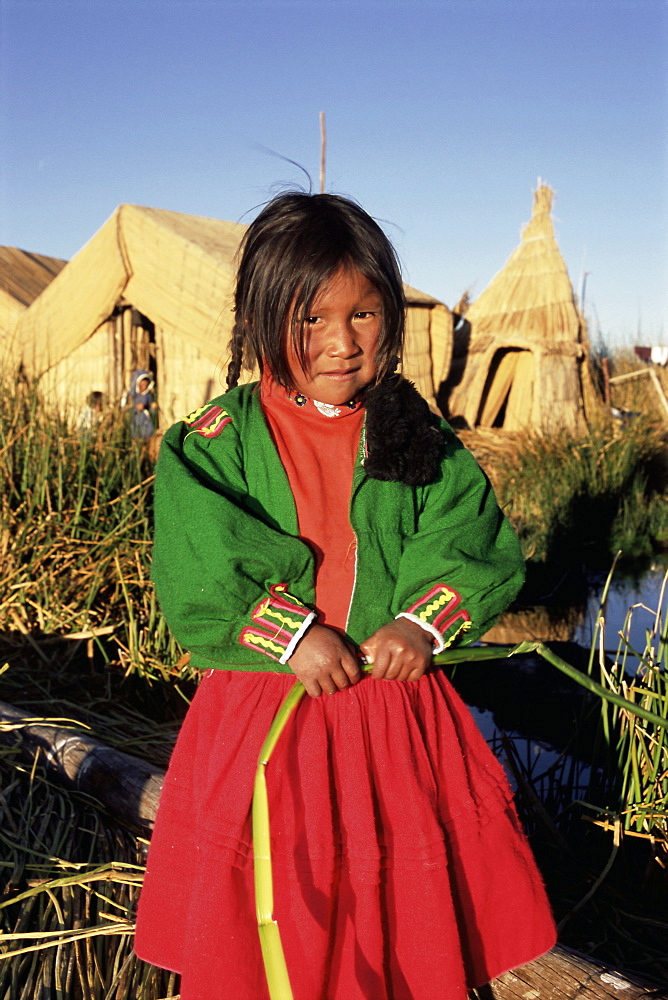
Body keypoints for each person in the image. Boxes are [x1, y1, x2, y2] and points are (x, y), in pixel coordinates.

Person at [134, 192, 556, 1000]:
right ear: (260, 322)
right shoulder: (213, 446)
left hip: (391, 714)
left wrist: (419, 622)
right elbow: (199, 559)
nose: (340, 342)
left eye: (363, 315)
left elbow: (469, 538)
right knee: (273, 909)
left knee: (396, 915)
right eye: (310, 319)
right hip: (269, 713)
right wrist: (291, 633)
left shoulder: (412, 437)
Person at [124, 369, 157, 440]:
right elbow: (125, 408)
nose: (144, 386)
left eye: (146, 384)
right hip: (135, 420)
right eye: (142, 384)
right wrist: (135, 408)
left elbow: (151, 410)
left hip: (145, 421)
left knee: (147, 437)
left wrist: (152, 407)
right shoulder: (132, 396)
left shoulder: (148, 395)